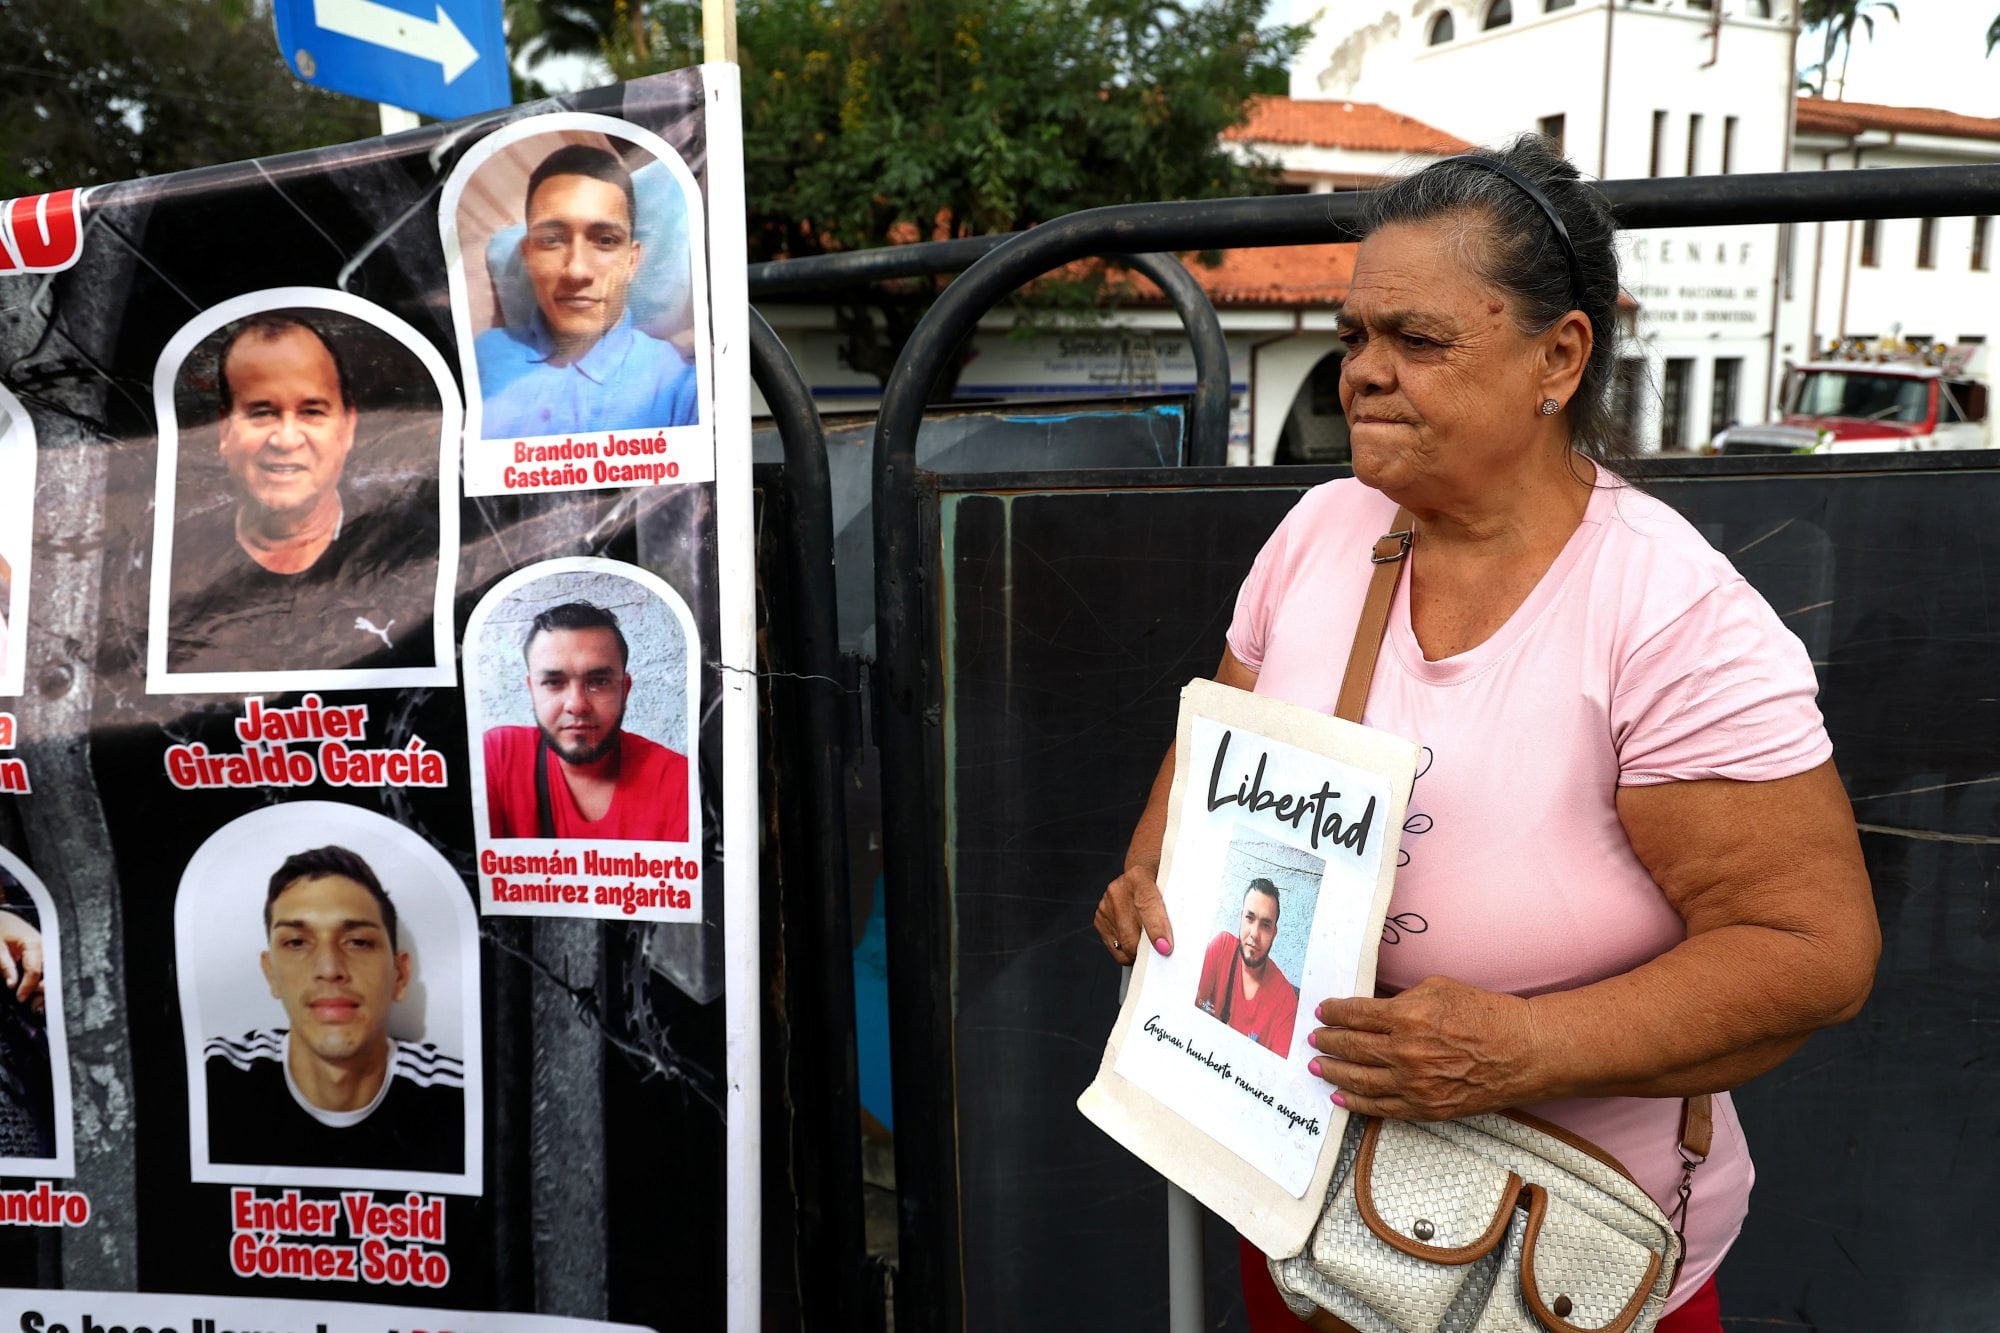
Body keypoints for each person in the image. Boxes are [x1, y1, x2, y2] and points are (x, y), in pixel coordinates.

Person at [1092, 137, 1879, 1333]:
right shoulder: (1317, 532)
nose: (1360, 372)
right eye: (1355, 336)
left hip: (1540, 1258)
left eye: (1416, 340)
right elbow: (1217, 755)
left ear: (1557, 356)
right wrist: (1159, 882)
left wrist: (1516, 1047)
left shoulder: (1669, 614)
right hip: (1304, 1203)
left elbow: (1812, 953)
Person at [164, 314, 439, 674]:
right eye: (261, 413)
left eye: (311, 412)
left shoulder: (412, 553)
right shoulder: (171, 564)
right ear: (224, 429)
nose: (286, 439)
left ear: (348, 426)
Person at [204, 846, 465, 1173]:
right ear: (271, 974)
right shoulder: (209, 1078)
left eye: (358, 942)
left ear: (400, 975)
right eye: (297, 943)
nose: (329, 968)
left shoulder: (466, 1099)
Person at [474, 143, 700, 439]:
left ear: (632, 261)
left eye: (605, 240)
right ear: (527, 255)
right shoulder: (482, 358)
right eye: (552, 240)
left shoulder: (680, 382)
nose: (577, 271)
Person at [484, 600, 690, 841]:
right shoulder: (498, 756)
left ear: (625, 690)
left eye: (599, 681)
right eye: (553, 683)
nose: (577, 705)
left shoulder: (678, 782)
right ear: (532, 690)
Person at [1193, 878, 1299, 1057]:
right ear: (1241, 918)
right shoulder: (1221, 948)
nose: (1255, 934)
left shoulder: (1286, 1002)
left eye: (1265, 925)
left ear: (1274, 933)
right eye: (1250, 918)